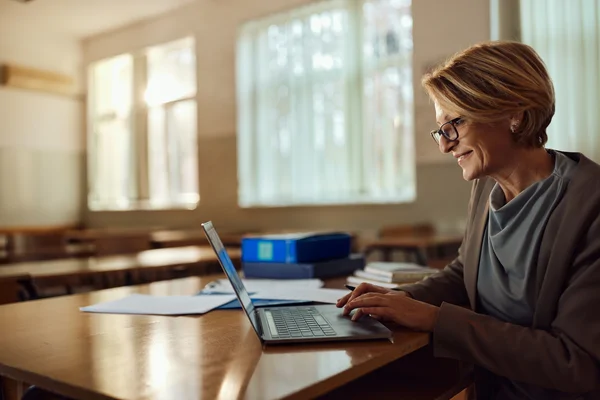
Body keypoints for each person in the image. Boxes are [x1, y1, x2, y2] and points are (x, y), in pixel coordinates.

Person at [336, 41, 600, 399]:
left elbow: (578, 363)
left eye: (454, 124)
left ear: (514, 114)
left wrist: (434, 319)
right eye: (441, 129)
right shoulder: (487, 186)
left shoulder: (590, 205)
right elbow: (466, 273)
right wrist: (396, 301)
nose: (445, 145)